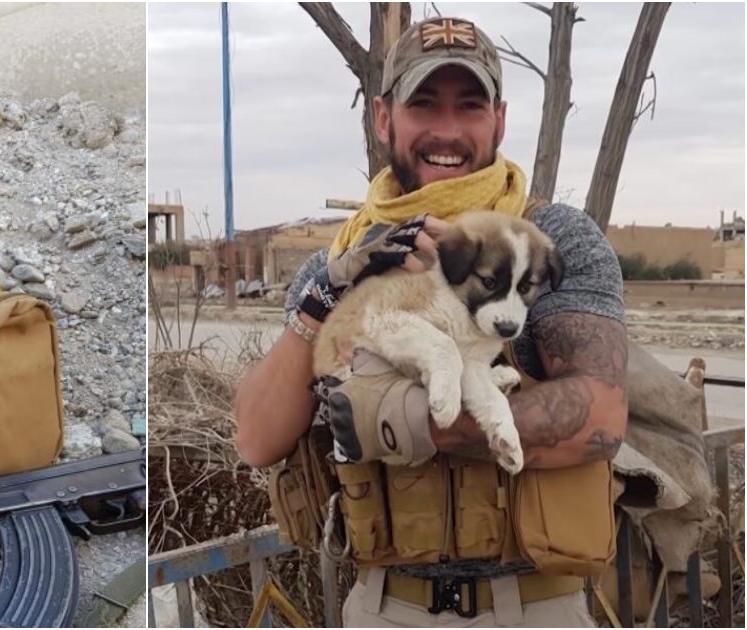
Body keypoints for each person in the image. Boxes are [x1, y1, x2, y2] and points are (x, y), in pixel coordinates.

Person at [234, 16, 628, 628]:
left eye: (469, 107)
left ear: (498, 120)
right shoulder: (341, 261)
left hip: (534, 603)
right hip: (386, 603)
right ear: (385, 117)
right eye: (424, 105)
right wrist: (323, 301)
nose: (447, 131)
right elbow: (258, 438)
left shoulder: (550, 241)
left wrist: (398, 419)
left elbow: (600, 418)